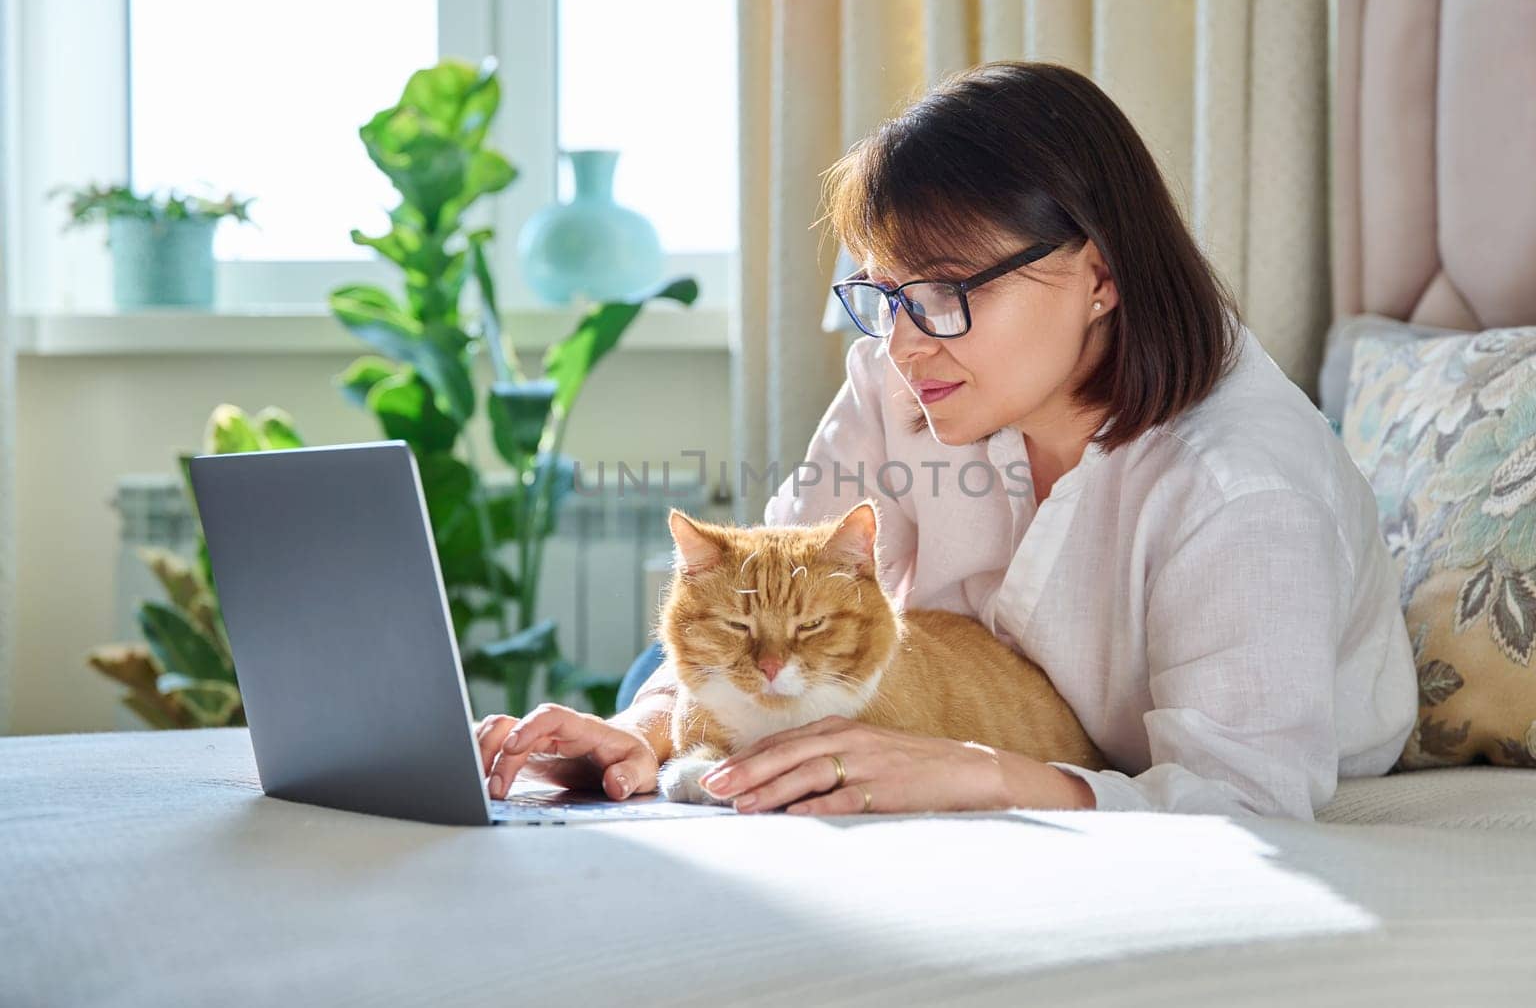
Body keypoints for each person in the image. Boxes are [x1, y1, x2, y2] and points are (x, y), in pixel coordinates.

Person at [475, 60, 1418, 821]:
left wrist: (972, 771)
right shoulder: (908, 377)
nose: (902, 340)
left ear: (1100, 274)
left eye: (946, 292)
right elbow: (776, 573)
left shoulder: (1240, 486)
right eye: (885, 295)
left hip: (1092, 748)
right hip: (876, 687)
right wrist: (646, 731)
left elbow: (1251, 795)